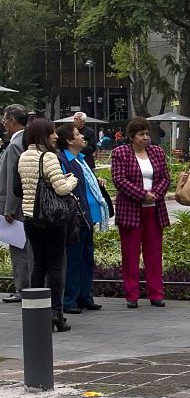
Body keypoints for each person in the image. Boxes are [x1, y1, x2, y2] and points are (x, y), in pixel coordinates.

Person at [19, 118, 79, 331]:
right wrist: (72, 180)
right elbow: (62, 189)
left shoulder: (24, 156)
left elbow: (21, 188)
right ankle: (56, 313)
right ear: (44, 135)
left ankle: (37, 311)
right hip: (52, 218)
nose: (55, 136)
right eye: (52, 132)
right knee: (56, 264)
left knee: (38, 264)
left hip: (30, 217)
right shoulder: (49, 157)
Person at [111, 117, 170, 309]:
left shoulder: (157, 152)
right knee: (130, 253)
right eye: (141, 134)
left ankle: (156, 293)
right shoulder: (121, 153)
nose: (145, 138)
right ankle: (132, 295)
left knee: (154, 253)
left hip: (154, 209)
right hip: (131, 210)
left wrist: (155, 194)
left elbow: (165, 178)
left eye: (147, 134)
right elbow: (119, 180)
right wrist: (143, 194)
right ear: (131, 137)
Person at [56, 123, 109, 315]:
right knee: (74, 259)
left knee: (86, 258)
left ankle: (85, 296)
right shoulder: (63, 160)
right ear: (69, 140)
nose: (82, 137)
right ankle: (70, 299)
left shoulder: (82, 159)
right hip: (75, 217)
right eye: (78, 134)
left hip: (88, 216)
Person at [0, 105, 30, 303]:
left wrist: (9, 208)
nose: (3, 123)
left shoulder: (15, 144)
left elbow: (12, 178)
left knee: (19, 248)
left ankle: (22, 288)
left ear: (12, 120)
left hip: (15, 206)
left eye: (4, 119)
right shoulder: (27, 139)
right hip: (24, 203)